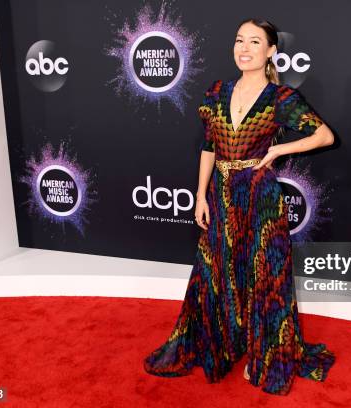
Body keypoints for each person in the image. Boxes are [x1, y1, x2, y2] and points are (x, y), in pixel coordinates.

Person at [143, 17, 336, 396]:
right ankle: (225, 345)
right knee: (218, 272)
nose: (244, 48)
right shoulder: (217, 92)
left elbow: (324, 135)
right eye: (239, 41)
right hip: (221, 194)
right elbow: (209, 147)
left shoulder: (281, 99)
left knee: (263, 276)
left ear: (270, 52)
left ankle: (263, 357)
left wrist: (281, 148)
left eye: (253, 42)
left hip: (260, 197)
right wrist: (200, 196)